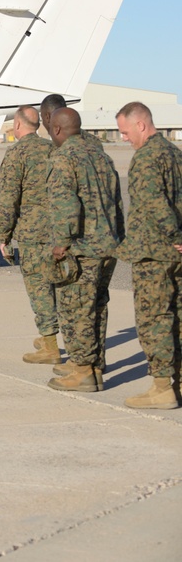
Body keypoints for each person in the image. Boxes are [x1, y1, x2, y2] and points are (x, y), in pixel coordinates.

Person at [46, 108, 123, 392]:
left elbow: (67, 206)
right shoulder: (102, 157)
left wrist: (61, 244)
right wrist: (118, 238)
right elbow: (117, 204)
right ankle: (94, 366)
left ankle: (81, 371)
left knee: (77, 309)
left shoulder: (64, 159)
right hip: (108, 246)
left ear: (56, 130)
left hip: (81, 249)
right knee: (97, 307)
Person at [114, 102, 182, 409]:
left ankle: (161, 388)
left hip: (153, 254)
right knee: (177, 316)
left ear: (141, 125)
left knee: (153, 318)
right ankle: (178, 383)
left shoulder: (146, 158)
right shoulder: (175, 154)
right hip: (174, 255)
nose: (124, 138)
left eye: (125, 131)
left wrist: (175, 235)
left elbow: (155, 204)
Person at [0, 106, 60, 363]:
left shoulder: (16, 154)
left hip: (33, 234)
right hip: (58, 231)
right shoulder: (53, 150)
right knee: (57, 287)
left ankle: (50, 346)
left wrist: (4, 236)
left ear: (18, 125)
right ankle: (50, 338)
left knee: (39, 289)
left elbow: (8, 199)